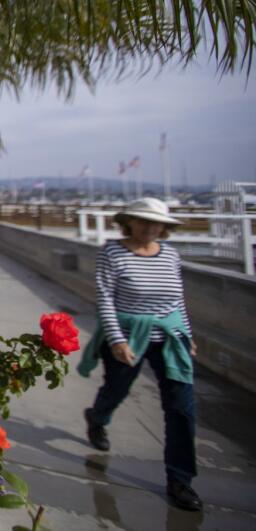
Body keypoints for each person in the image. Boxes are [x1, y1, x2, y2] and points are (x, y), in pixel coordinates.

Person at [77, 198, 199, 511]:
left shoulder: (170, 255)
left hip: (169, 339)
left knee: (181, 407)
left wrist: (187, 335)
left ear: (165, 227)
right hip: (127, 333)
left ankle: (180, 479)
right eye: (143, 221)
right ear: (128, 221)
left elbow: (178, 301)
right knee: (116, 389)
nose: (149, 228)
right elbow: (104, 298)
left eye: (155, 223)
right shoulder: (113, 252)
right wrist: (117, 340)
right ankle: (97, 417)